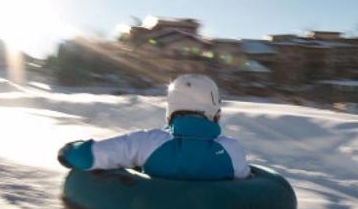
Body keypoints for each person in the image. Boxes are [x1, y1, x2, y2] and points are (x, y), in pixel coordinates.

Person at [57, 74, 251, 180]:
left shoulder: (148, 142)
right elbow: (247, 184)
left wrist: (70, 150)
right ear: (214, 110)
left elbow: (87, 156)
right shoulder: (232, 150)